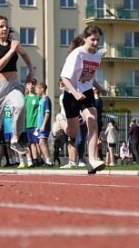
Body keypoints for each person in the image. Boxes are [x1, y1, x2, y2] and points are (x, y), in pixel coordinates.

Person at [0, 15, 35, 175]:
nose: (5, 29)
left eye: (6, 26)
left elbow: (26, 55)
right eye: (1, 26)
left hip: (13, 85)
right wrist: (12, 50)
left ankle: (14, 138)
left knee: (20, 105)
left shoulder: (14, 43)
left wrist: (31, 71)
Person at [60, 25, 107, 174]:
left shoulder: (97, 56)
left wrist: (99, 87)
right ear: (85, 38)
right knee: (72, 132)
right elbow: (64, 77)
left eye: (98, 40)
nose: (95, 43)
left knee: (92, 119)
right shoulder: (77, 54)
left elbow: (89, 77)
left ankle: (92, 159)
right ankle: (61, 122)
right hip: (71, 94)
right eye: (92, 39)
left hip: (86, 93)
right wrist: (74, 93)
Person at [34, 82, 53, 166]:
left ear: (42, 89)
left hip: (44, 126)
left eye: (37, 89)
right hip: (40, 126)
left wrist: (43, 125)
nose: (36, 91)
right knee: (40, 143)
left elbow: (47, 113)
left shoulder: (46, 99)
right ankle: (45, 160)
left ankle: (49, 161)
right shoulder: (41, 100)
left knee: (42, 142)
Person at [24, 79, 41, 165]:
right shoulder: (25, 98)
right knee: (31, 143)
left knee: (38, 142)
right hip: (28, 124)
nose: (31, 86)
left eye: (32, 84)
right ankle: (35, 161)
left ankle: (41, 159)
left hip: (36, 124)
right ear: (27, 86)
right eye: (29, 84)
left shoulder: (38, 97)